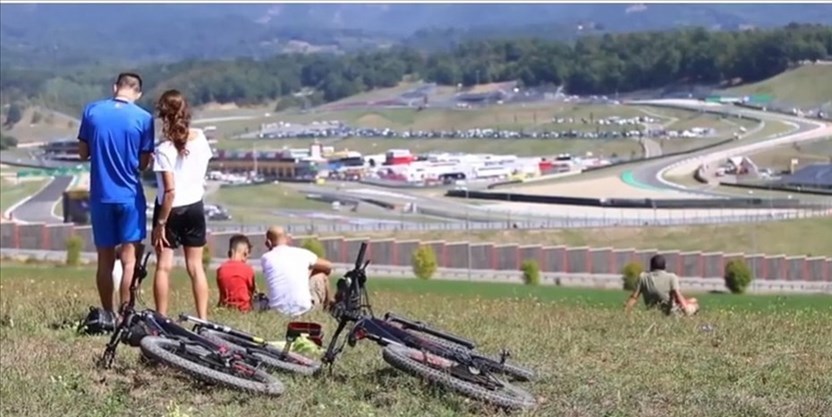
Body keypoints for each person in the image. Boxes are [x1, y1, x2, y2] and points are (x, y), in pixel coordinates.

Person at [77, 72, 154, 322]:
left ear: (115, 87)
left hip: (101, 195)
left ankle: (107, 313)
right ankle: (125, 314)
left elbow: (82, 152)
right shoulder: (144, 118)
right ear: (138, 93)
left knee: (104, 259)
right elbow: (143, 164)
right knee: (129, 259)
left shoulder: (92, 111)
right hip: (129, 195)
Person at [150, 89, 213, 320]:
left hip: (170, 210)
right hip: (195, 205)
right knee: (195, 268)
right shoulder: (201, 138)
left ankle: (161, 317)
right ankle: (203, 318)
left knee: (164, 266)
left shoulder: (163, 149)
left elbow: (170, 191)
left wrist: (160, 223)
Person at [260, 226, 334, 317]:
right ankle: (328, 310)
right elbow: (328, 266)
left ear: (268, 243)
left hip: (276, 312)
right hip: (305, 311)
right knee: (321, 275)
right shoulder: (302, 253)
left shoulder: (266, 258)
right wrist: (310, 272)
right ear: (287, 239)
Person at [624, 254, 699, 316]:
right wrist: (686, 310)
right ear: (664, 266)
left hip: (652, 313)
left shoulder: (643, 277)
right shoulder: (671, 277)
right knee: (695, 304)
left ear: (651, 266)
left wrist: (626, 311)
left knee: (692, 300)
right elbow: (677, 295)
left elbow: (634, 297)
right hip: (672, 314)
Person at [217, 234, 257, 312]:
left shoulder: (220, 269)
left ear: (229, 252)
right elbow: (251, 293)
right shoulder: (248, 269)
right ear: (245, 253)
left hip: (226, 308)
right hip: (244, 310)